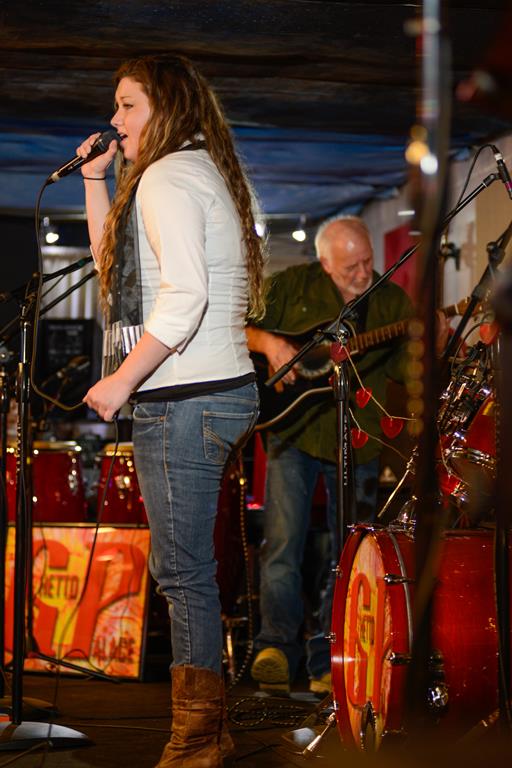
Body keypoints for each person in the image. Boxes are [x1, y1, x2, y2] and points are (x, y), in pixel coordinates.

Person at [79, 54, 264, 768]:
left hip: (186, 398)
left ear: (168, 106)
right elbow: (116, 265)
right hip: (205, 393)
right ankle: (209, 732)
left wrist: (121, 380)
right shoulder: (182, 172)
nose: (114, 119)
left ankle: (196, 744)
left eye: (128, 105)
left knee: (183, 574)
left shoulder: (167, 178)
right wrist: (95, 182)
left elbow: (185, 296)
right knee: (187, 569)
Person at [246, 216, 413, 696]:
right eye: (349, 268)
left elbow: (408, 372)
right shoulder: (290, 285)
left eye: (367, 262)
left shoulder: (391, 301)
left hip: (358, 440)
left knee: (349, 554)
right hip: (292, 431)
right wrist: (270, 343)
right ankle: (275, 649)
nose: (362, 274)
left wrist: (435, 342)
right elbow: (238, 326)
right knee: (283, 546)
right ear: (324, 263)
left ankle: (331, 659)